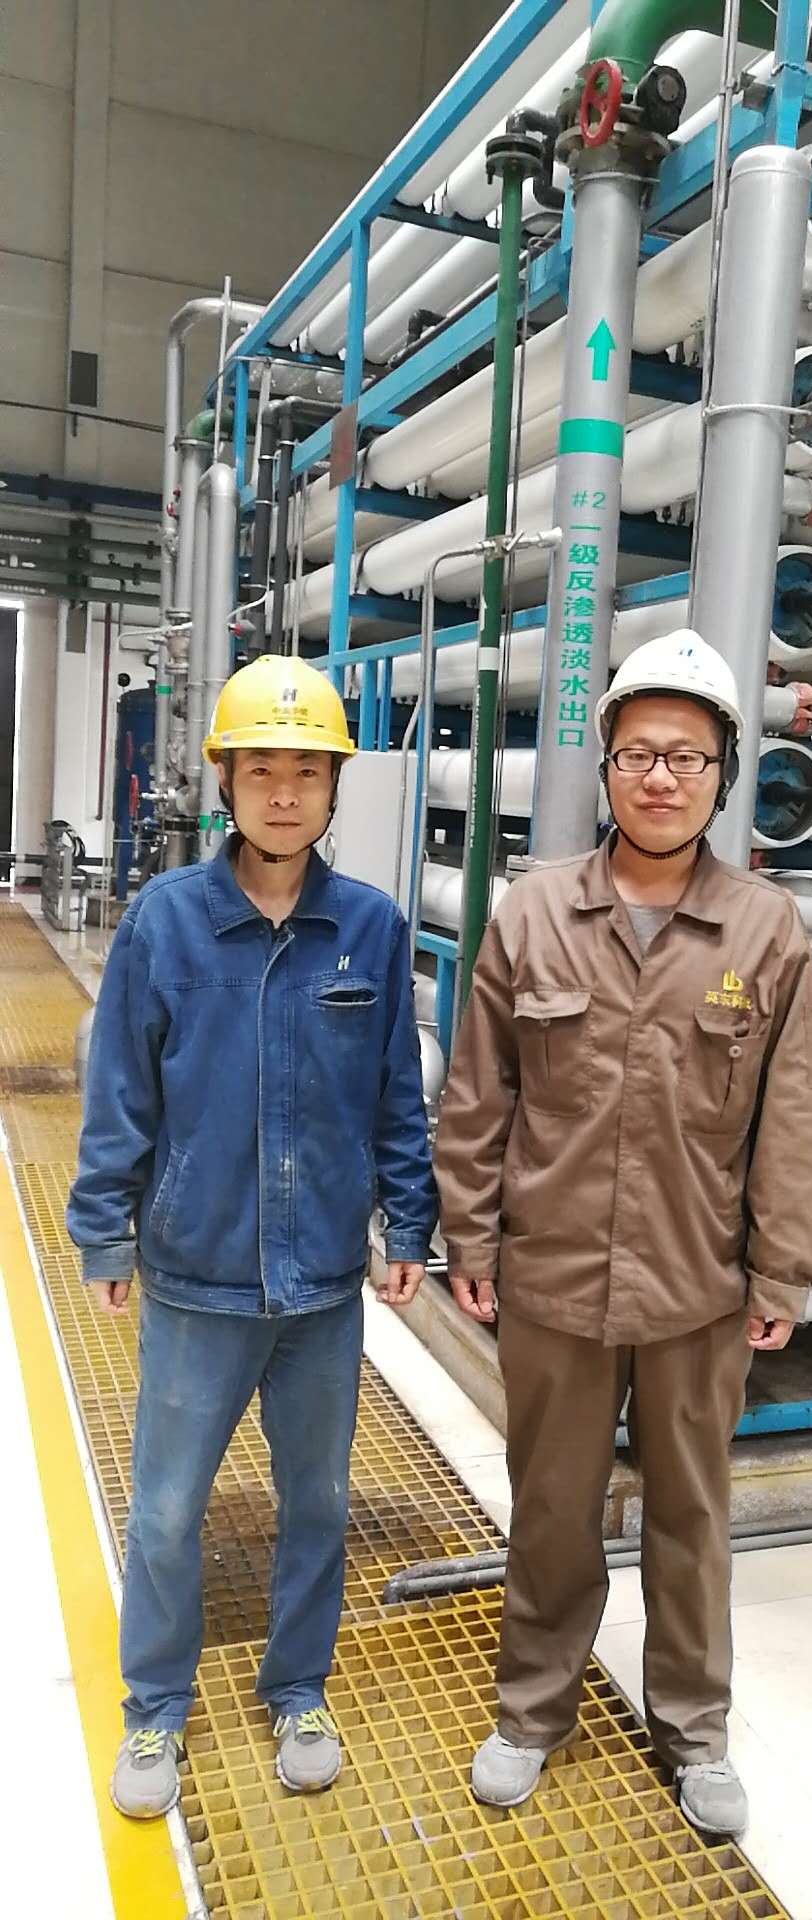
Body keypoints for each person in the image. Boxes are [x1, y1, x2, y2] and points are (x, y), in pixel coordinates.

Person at [434, 629, 812, 1836]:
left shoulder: (765, 931)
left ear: (723, 775)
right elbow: (479, 1095)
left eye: (689, 757)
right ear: (606, 765)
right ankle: (532, 1711)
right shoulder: (533, 915)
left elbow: (791, 1117)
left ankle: (695, 1730)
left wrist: (784, 1267)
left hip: (698, 1286)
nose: (662, 777)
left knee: (691, 1517)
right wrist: (471, 1241)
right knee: (551, 1510)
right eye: (640, 753)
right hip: (553, 1280)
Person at [67, 655, 436, 1820]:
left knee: (316, 1502)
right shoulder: (165, 923)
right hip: (196, 1275)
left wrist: (408, 1220)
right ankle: (154, 1705)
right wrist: (105, 1231)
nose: (285, 793)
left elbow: (397, 1094)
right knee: (169, 1509)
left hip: (321, 1285)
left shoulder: (368, 927)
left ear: (333, 789)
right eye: (262, 770)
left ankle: (298, 1689)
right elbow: (120, 1091)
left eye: (308, 773)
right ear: (224, 782)